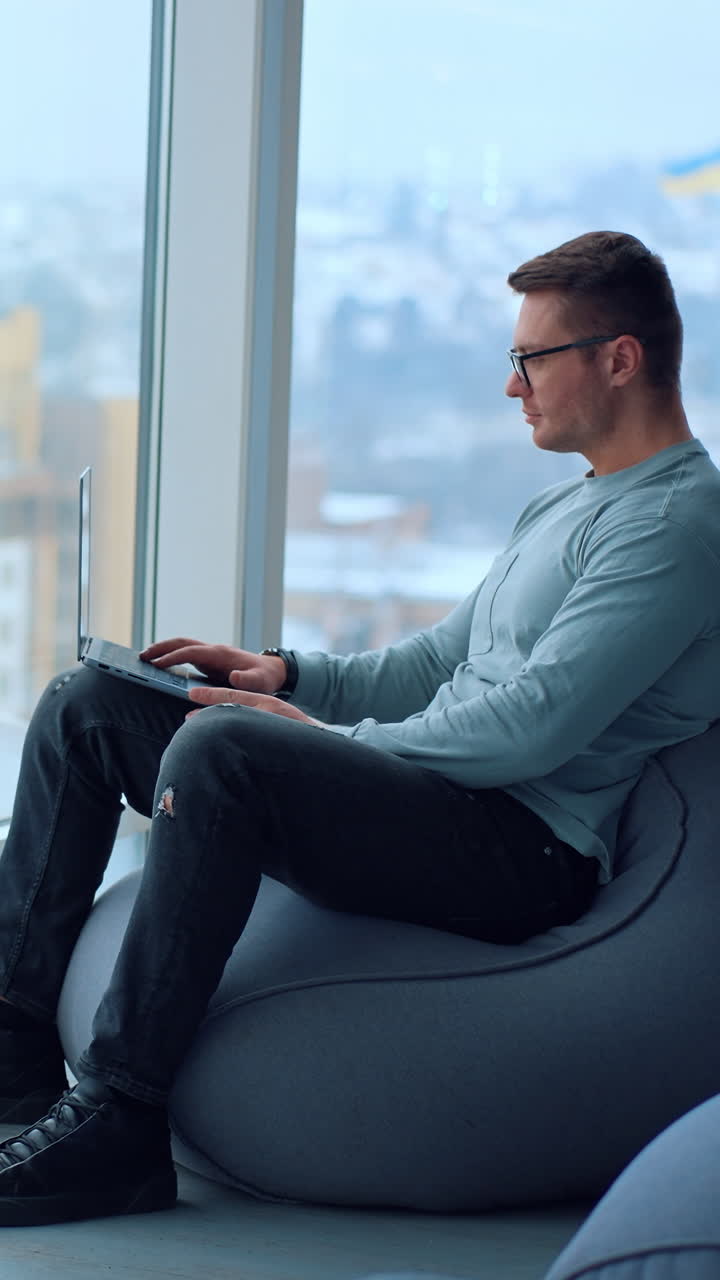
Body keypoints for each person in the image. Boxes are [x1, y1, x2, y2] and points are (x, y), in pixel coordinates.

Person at [1, 229, 720, 1227]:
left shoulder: (681, 522)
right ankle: (14, 1071)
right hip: (440, 801)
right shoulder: (564, 509)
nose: (513, 386)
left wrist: (311, 740)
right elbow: (433, 663)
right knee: (89, 705)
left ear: (620, 357)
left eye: (530, 358)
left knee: (225, 748)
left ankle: (119, 1121)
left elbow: (533, 727)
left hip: (523, 844)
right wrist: (285, 673)